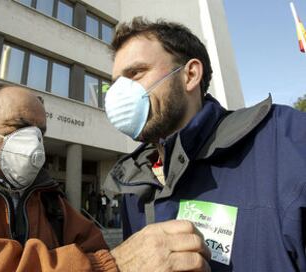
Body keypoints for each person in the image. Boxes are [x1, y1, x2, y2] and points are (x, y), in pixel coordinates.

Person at [0, 83, 211, 271]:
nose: (33, 144)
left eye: (39, 133)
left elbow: (94, 245)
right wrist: (102, 267)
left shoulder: (56, 206)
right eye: (18, 128)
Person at [104, 17, 306, 272]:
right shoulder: (132, 186)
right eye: (115, 84)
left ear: (190, 75)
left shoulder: (284, 139)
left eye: (136, 73)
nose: (119, 94)